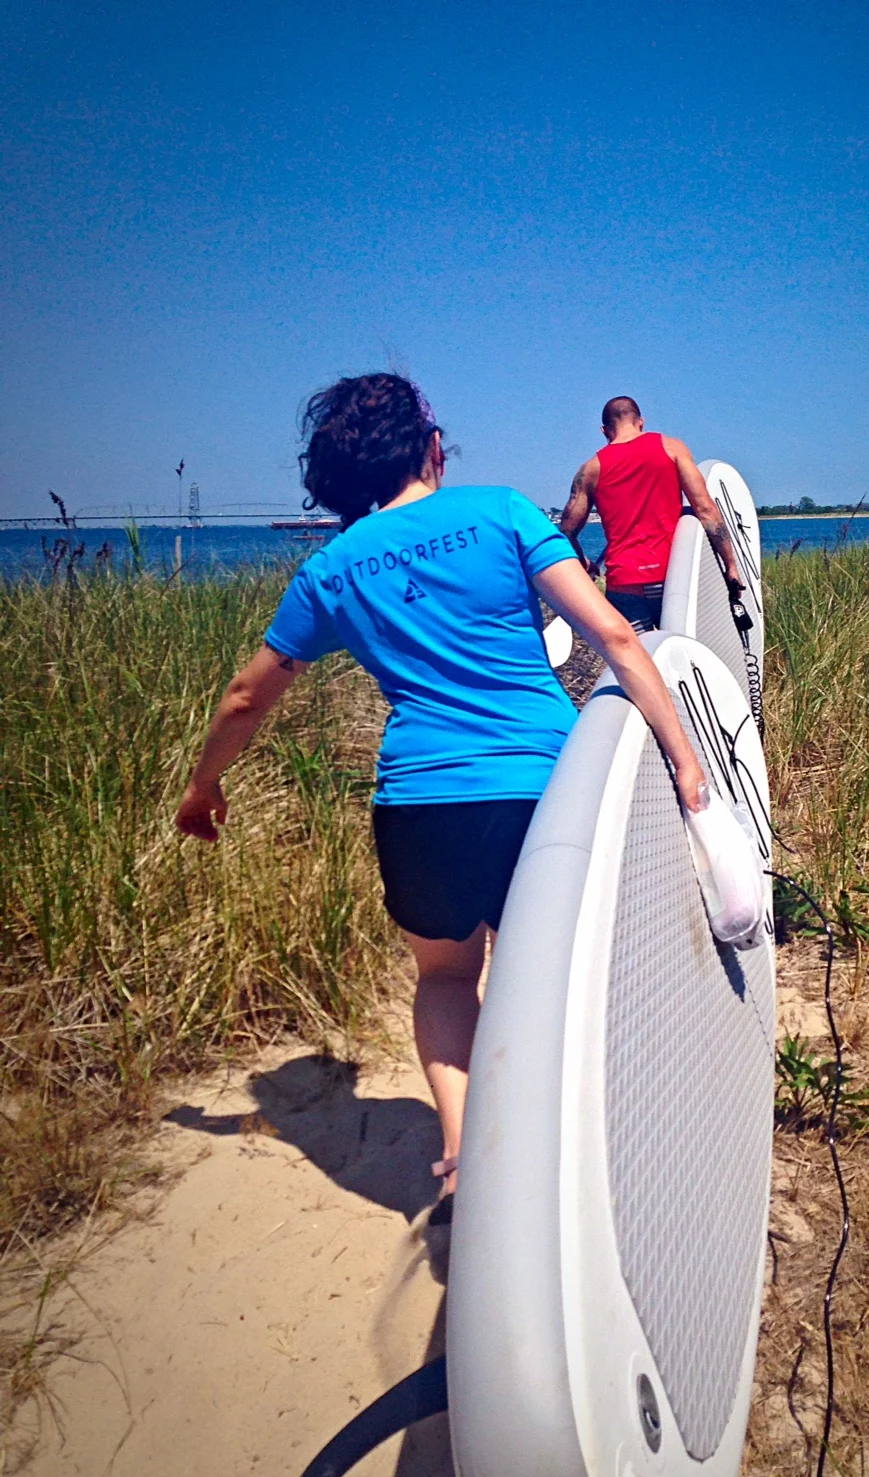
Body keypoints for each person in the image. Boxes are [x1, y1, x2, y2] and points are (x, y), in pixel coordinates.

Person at [174, 373, 707, 1226]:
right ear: (431, 447)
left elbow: (246, 697)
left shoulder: (330, 570)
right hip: (540, 792)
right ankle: (581, 1154)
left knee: (449, 977)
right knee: (565, 976)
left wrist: (204, 787)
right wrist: (684, 756)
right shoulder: (501, 512)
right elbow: (609, 632)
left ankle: (462, 1159)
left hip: (418, 806)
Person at [557, 395, 743, 633]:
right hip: (673, 577)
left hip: (624, 585)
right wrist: (731, 565)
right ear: (641, 422)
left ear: (604, 430)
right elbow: (706, 510)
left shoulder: (591, 469)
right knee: (683, 659)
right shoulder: (672, 448)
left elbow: (566, 532)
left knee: (642, 664)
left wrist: (582, 561)